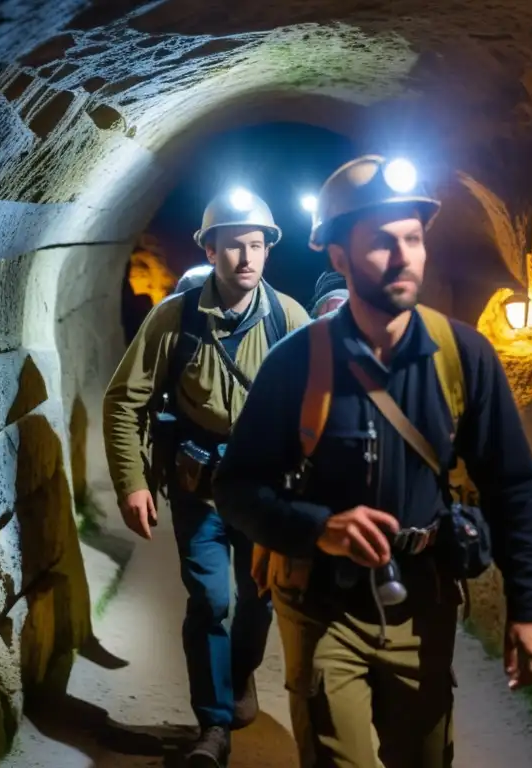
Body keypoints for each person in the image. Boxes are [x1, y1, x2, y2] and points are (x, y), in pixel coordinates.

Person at [212, 156, 532, 767]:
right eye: (380, 243)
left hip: (424, 599)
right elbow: (237, 488)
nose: (402, 256)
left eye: (413, 239)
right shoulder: (295, 363)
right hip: (321, 606)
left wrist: (529, 610)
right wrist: (320, 528)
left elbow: (512, 486)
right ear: (337, 255)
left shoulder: (462, 356)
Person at [103, 188, 310, 767]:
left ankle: (239, 673)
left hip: (266, 490)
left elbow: (317, 413)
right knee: (209, 599)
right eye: (232, 246)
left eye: (255, 245)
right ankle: (213, 725)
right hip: (201, 487)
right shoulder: (175, 318)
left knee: (259, 596)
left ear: (268, 250)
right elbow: (124, 400)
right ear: (210, 250)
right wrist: (132, 483)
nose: (245, 257)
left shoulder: (290, 318)